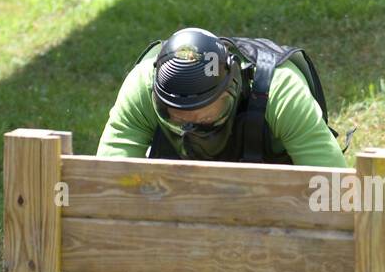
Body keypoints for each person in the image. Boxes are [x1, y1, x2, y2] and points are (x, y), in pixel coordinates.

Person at [95, 27, 347, 167]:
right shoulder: (142, 88)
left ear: (232, 89)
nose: (192, 130)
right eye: (180, 122)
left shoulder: (281, 92)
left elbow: (332, 190)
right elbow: (110, 183)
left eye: (205, 119)